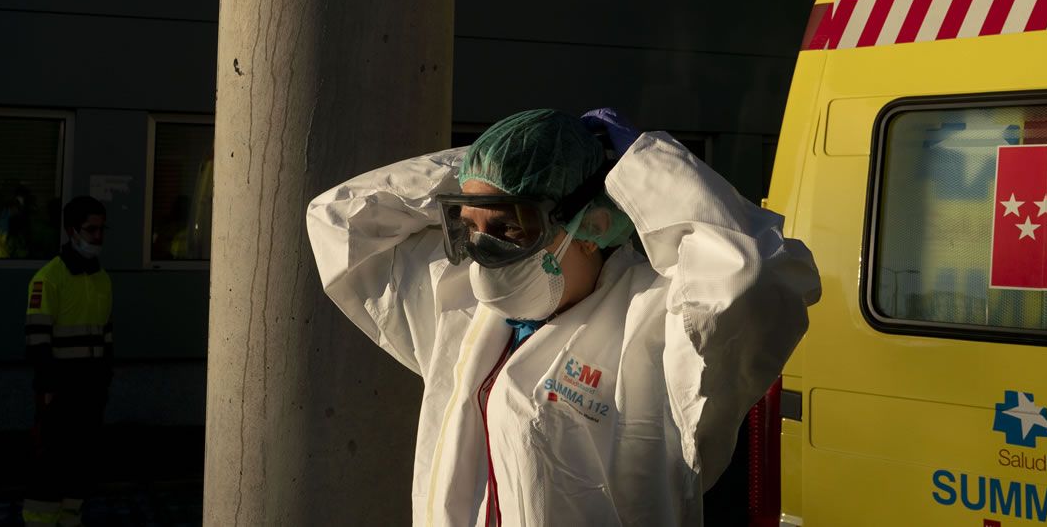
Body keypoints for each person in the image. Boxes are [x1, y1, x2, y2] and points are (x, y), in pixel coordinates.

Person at [306, 108, 820, 525]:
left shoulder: (659, 324)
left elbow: (751, 273)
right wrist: (489, 167)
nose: (483, 252)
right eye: (469, 226)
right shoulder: (457, 309)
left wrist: (639, 168)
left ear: (591, 225)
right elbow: (339, 219)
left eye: (508, 227)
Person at [21, 196, 113, 527]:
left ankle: (70, 520)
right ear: (72, 231)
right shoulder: (48, 279)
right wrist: (48, 387)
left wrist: (105, 379)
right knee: (51, 464)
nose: (98, 237)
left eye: (102, 229)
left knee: (82, 464)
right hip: (60, 389)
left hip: (91, 388)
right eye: (91, 229)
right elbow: (37, 340)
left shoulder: (102, 279)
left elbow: (107, 336)